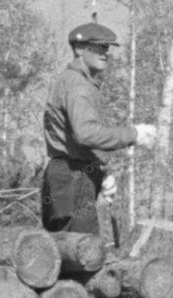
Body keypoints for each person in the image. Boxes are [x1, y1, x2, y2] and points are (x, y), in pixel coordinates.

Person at [42, 21, 158, 239]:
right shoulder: (77, 85)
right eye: (99, 47)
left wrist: (101, 171)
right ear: (79, 49)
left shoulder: (76, 82)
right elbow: (86, 134)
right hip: (71, 176)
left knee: (69, 248)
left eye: (107, 48)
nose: (106, 53)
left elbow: (76, 139)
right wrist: (135, 134)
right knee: (82, 251)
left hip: (71, 175)